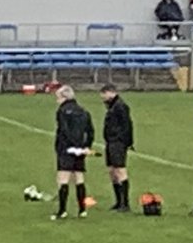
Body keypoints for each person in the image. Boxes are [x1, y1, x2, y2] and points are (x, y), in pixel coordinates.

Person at [51, 85, 94, 221]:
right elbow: (91, 131)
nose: (57, 100)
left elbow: (64, 130)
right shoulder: (83, 111)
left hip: (66, 148)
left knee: (63, 178)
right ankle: (82, 210)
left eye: (58, 97)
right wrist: (85, 146)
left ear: (64, 97)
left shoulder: (62, 111)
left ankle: (62, 210)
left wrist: (71, 146)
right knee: (79, 178)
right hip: (80, 149)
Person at [100, 84, 133, 212]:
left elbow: (127, 125)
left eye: (103, 95)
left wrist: (126, 142)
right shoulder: (112, 106)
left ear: (110, 92)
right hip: (110, 142)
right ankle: (118, 201)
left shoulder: (120, 106)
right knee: (112, 171)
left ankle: (125, 203)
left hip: (118, 142)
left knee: (120, 170)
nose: (102, 98)